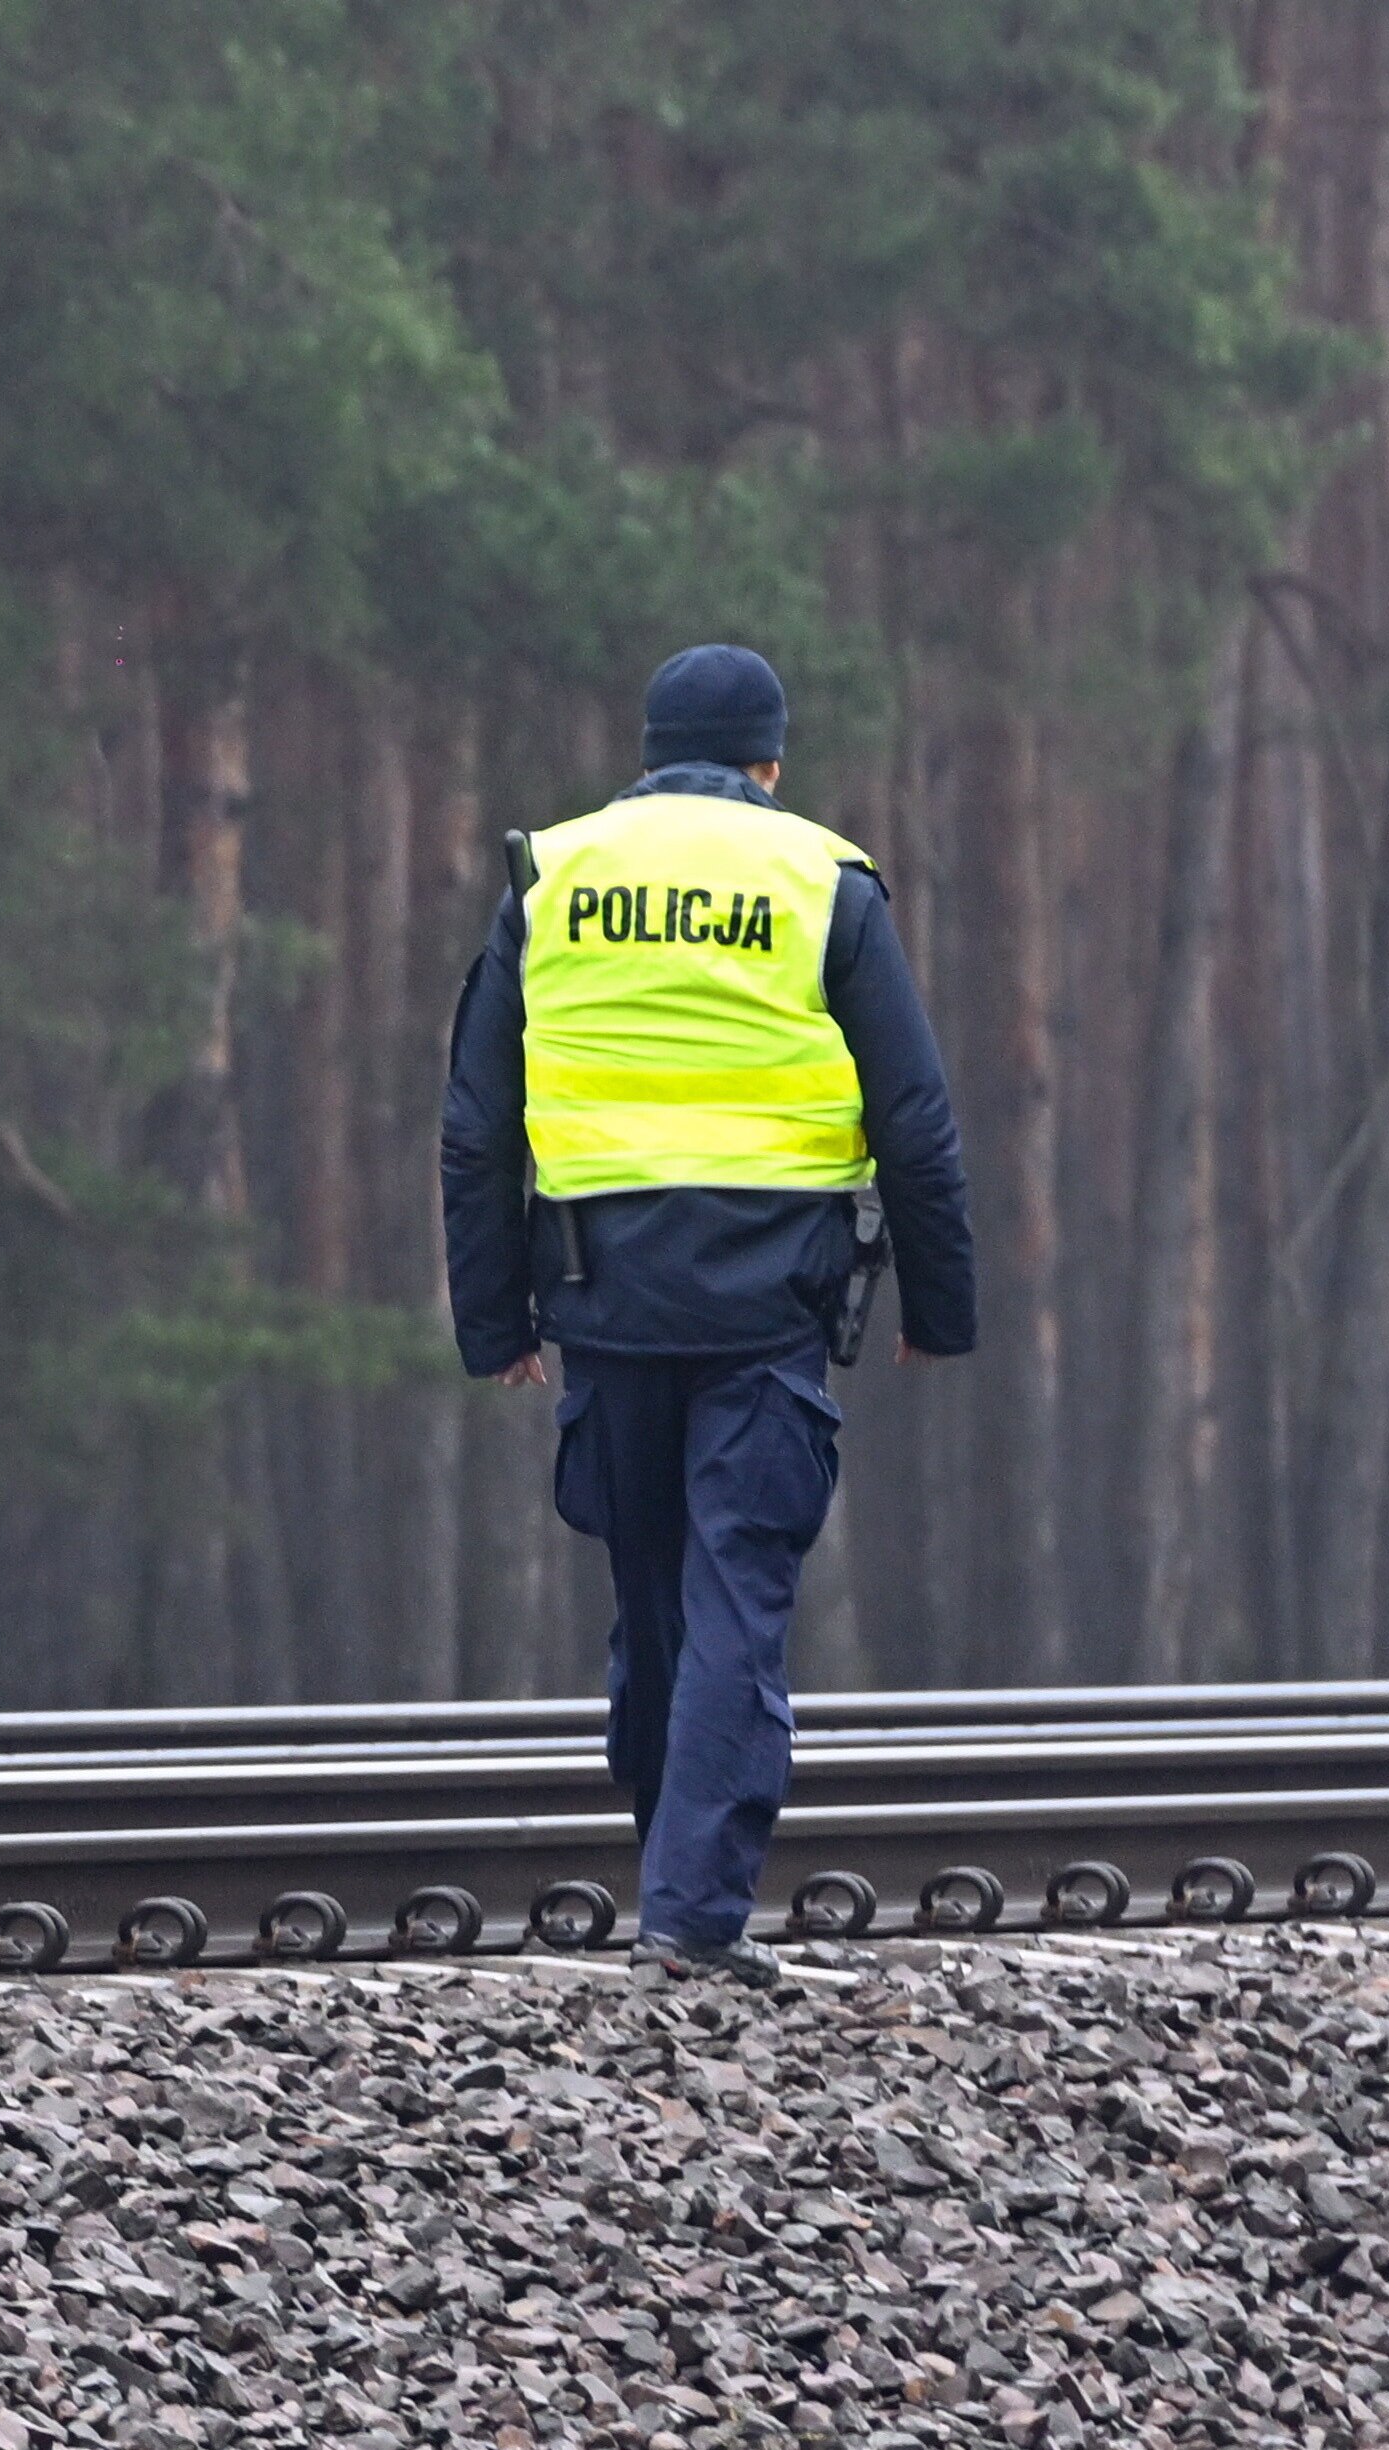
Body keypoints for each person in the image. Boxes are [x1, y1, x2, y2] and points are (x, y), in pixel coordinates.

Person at [438, 643, 977, 1986]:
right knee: (738, 1592)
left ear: (647, 748)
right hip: (765, 1305)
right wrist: (941, 1303)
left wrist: (492, 1316)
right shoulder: (819, 880)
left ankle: (670, 1884)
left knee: (651, 1603)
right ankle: (688, 1915)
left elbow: (472, 1127)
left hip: (602, 1294)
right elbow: (915, 1120)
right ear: (770, 759)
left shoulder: (552, 877)